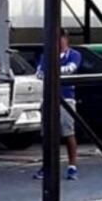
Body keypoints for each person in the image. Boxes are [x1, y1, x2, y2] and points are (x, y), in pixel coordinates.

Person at [35, 30, 81, 181]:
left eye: (61, 39)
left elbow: (70, 69)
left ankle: (72, 165)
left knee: (68, 132)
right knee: (47, 134)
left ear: (66, 40)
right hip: (48, 98)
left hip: (66, 98)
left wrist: (52, 71)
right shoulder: (46, 56)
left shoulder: (73, 55)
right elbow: (39, 74)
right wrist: (53, 71)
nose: (58, 42)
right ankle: (47, 165)